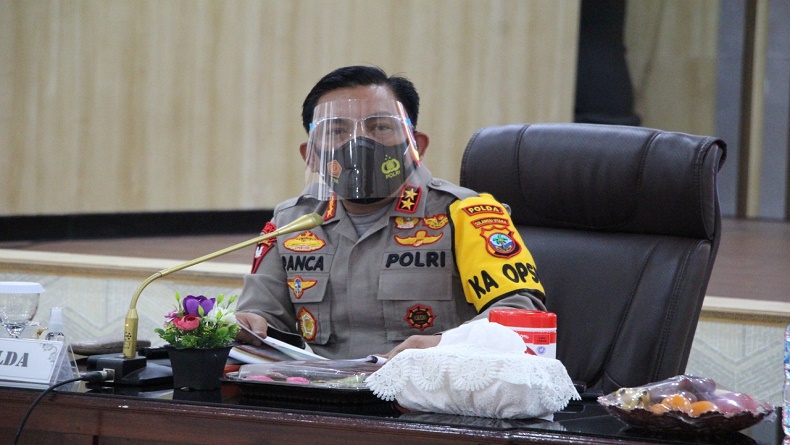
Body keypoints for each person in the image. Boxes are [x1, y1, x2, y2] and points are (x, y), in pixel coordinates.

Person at [235, 65, 545, 359]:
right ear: (311, 156)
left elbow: (520, 312)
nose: (358, 143)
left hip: (429, 388)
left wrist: (444, 345)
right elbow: (262, 316)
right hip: (323, 388)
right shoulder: (292, 222)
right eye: (336, 131)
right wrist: (249, 325)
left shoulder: (466, 214)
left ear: (416, 146)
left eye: (380, 127)